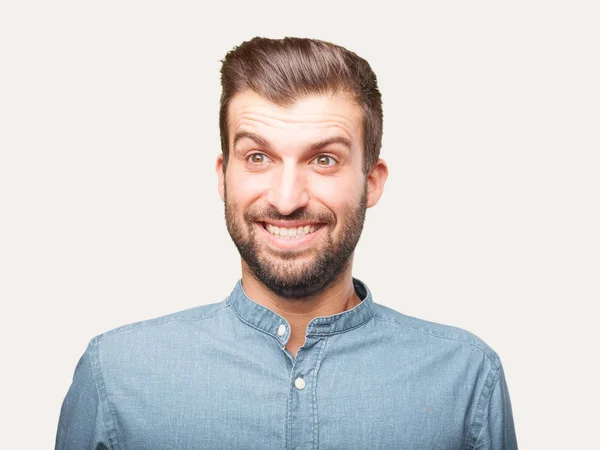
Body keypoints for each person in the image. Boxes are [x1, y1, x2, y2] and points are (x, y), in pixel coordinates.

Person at [55, 36, 517, 450]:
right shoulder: (114, 376)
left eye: (324, 159)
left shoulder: (466, 380)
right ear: (224, 176)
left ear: (371, 182)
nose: (286, 199)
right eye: (258, 157)